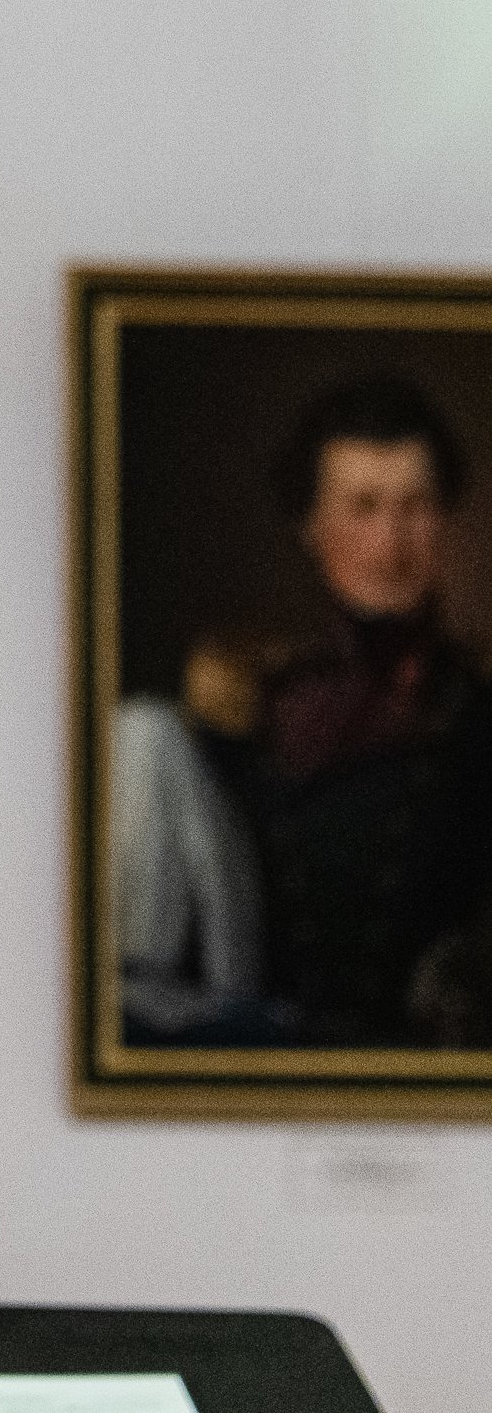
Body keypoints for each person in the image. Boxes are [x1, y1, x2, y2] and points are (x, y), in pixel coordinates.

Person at [182, 376, 492, 1045]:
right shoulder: (244, 696)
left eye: (415, 506)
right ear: (311, 526)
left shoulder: (477, 709)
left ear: (443, 520)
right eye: (363, 506)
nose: (391, 540)